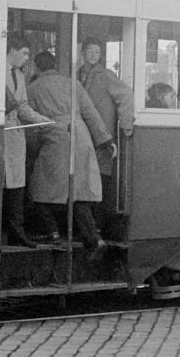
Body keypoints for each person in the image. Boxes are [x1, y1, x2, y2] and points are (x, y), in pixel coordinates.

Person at [27, 51, 116, 259]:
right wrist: (105, 140)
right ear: (55, 66)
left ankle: (51, 231)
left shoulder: (32, 88)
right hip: (81, 136)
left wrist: (33, 149)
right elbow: (91, 113)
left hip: (55, 136)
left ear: (37, 67)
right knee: (79, 192)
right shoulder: (74, 84)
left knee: (40, 188)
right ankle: (93, 239)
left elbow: (31, 126)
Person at [76, 38, 134, 235]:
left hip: (102, 134)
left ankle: (98, 223)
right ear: (82, 52)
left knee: (100, 176)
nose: (94, 56)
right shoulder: (76, 74)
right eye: (90, 51)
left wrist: (126, 124)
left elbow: (126, 95)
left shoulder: (106, 75)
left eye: (98, 52)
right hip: (84, 132)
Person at [3, 34, 50, 248]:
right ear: (12, 50)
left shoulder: (20, 76)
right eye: (24, 53)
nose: (26, 59)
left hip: (14, 135)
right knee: (1, 182)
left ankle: (17, 232)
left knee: (16, 183)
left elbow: (22, 106)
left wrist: (42, 120)